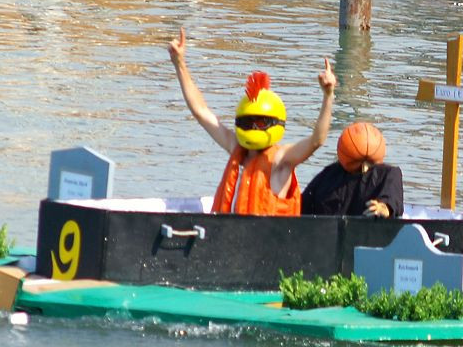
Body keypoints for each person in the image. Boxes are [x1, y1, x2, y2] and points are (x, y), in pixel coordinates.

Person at [167, 27, 336, 216]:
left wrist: (328, 95)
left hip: (270, 239)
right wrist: (179, 63)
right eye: (249, 122)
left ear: (276, 123)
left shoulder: (282, 160)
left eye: (261, 123)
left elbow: (317, 140)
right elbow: (201, 111)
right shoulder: (236, 147)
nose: (254, 127)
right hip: (232, 235)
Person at [301, 122, 404, 218]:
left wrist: (385, 208)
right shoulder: (329, 175)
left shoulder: (388, 174)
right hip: (328, 232)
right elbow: (302, 206)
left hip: (368, 234)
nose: (364, 168)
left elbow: (392, 199)